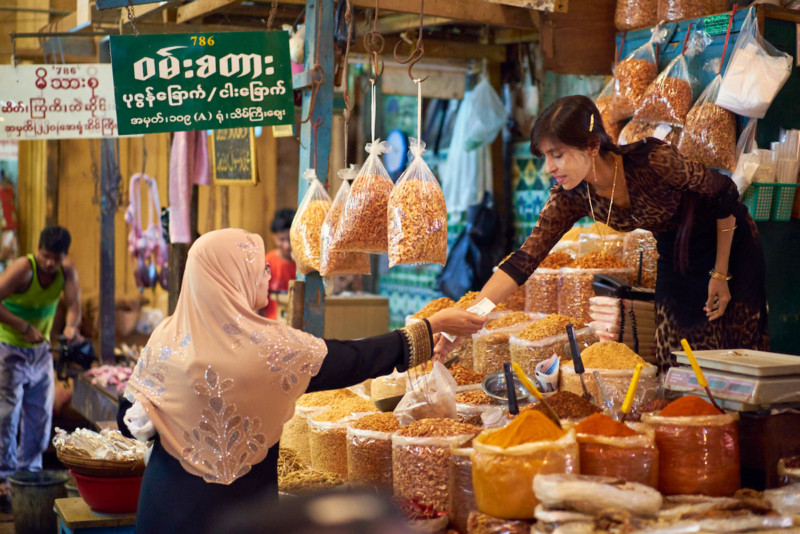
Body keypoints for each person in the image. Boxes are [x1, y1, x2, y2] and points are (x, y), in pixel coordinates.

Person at [116, 228, 484, 533]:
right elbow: (351, 360)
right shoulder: (269, 349)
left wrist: (151, 418)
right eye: (256, 268)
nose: (266, 274)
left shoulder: (167, 336)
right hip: (241, 519)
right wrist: (429, 328)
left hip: (162, 509)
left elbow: (125, 417)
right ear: (229, 278)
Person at [438, 95, 768, 372]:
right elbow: (523, 261)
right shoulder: (571, 196)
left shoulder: (653, 160)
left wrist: (720, 273)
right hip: (675, 253)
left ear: (593, 145)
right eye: (545, 157)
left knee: (738, 356)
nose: (549, 168)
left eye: (557, 155)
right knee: (675, 361)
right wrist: (469, 319)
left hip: (729, 243)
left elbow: (725, 194)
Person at [0, 226, 81, 478]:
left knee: (40, 418)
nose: (48, 263)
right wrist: (23, 326)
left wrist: (70, 326)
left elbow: (74, 307)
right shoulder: (24, 268)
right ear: (38, 251)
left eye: (55, 259)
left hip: (41, 354)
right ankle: (4, 476)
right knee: (6, 415)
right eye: (44, 256)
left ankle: (28, 476)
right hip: (9, 349)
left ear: (63, 257)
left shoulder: (66, 272)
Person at [263, 208, 296, 320]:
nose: (287, 246)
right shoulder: (268, 262)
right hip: (272, 324)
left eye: (291, 239)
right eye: (281, 240)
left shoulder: (304, 264)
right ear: (274, 237)